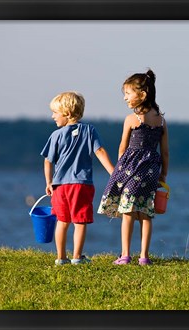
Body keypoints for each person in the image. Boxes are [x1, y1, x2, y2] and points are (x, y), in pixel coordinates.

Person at [98, 69, 169, 265]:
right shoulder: (162, 121)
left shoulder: (132, 119)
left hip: (131, 170)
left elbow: (122, 148)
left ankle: (125, 255)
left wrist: (119, 173)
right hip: (151, 170)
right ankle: (144, 257)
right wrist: (163, 173)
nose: (125, 98)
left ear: (142, 95)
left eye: (128, 93)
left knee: (128, 212)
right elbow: (165, 152)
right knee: (146, 213)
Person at [41, 91, 114, 266]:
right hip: (81, 185)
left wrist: (49, 182)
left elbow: (48, 161)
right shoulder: (89, 130)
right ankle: (77, 257)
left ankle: (61, 258)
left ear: (66, 113)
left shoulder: (56, 135)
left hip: (60, 186)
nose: (53, 116)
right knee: (80, 221)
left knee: (62, 220)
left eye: (55, 113)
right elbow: (100, 152)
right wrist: (113, 172)